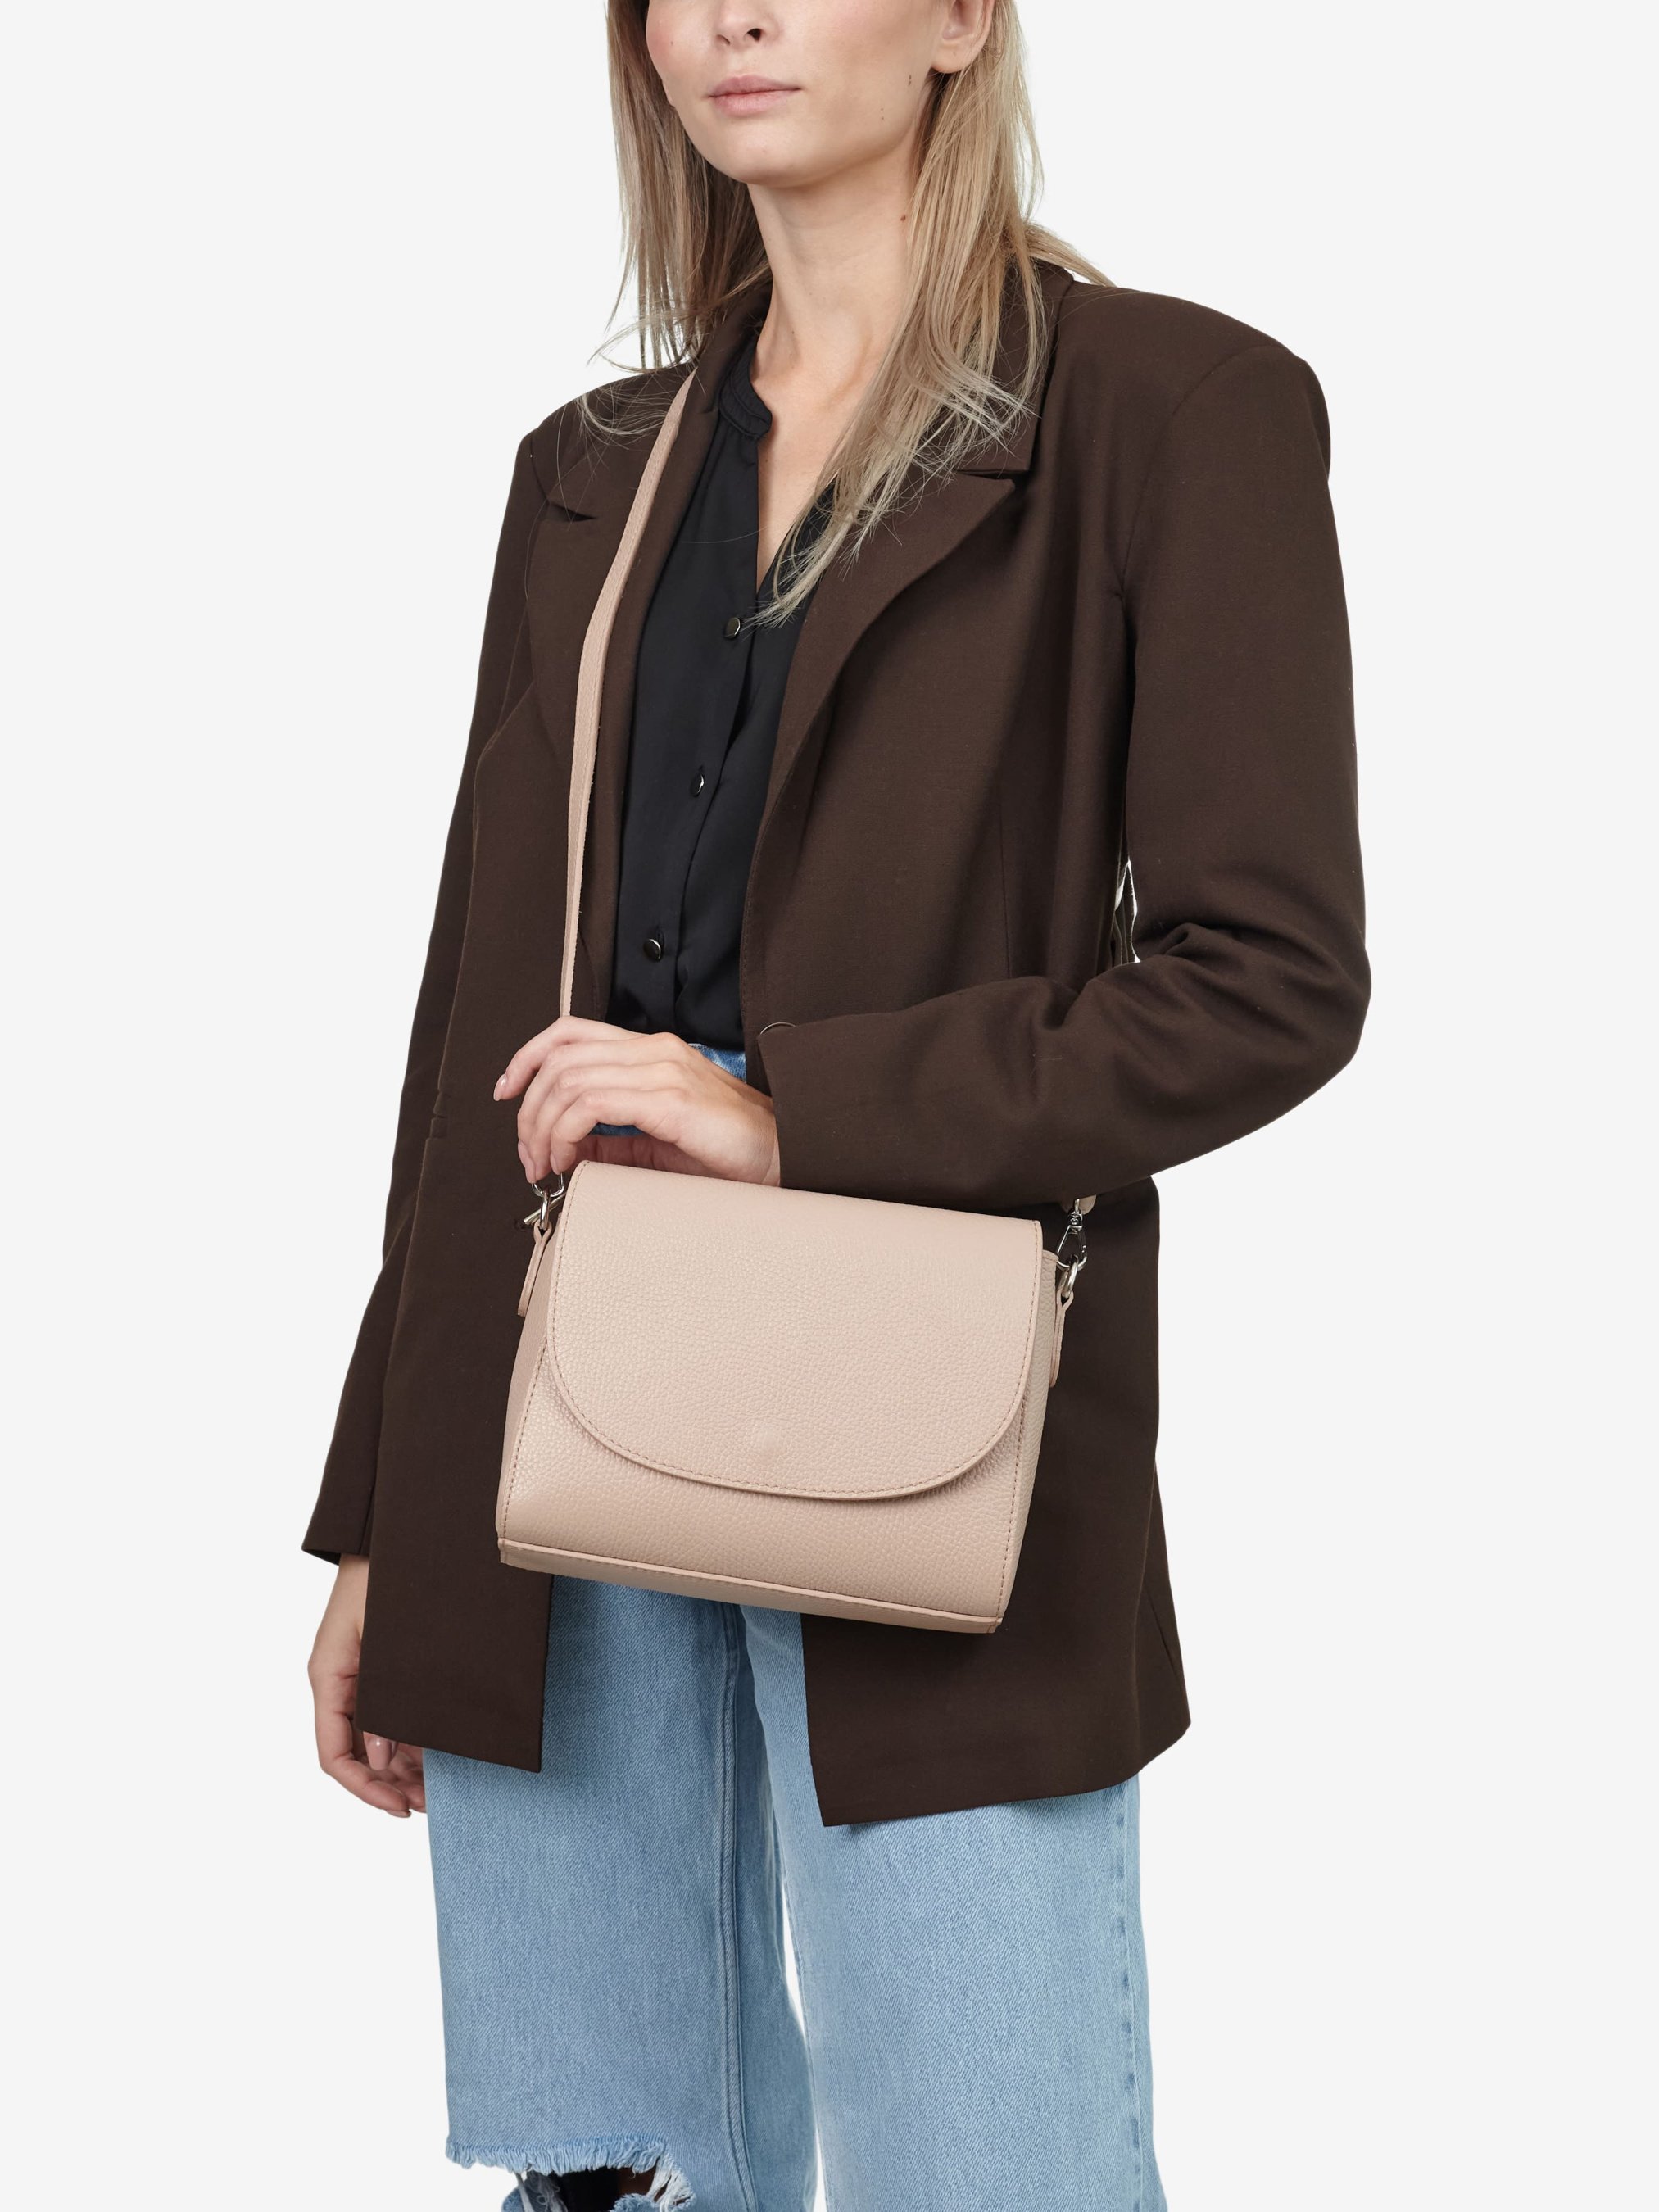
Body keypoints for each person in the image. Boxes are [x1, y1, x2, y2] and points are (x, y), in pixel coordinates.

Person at [305, 3, 1369, 2205]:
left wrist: (793, 1112)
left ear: (963, 17)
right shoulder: (593, 465)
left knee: (994, 2166)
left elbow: (1267, 979)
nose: (735, 14)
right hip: (545, 1437)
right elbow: (466, 1020)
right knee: (614, 2173)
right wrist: (380, 1521)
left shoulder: (1168, 410)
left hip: (930, 1435)